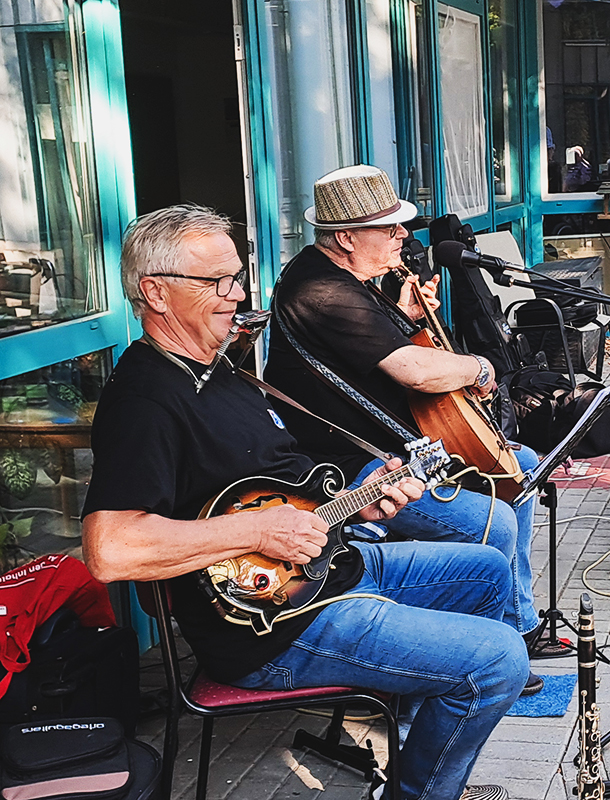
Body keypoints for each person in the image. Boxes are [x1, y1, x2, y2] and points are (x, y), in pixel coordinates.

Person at [81, 205, 525, 800]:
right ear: (155, 292)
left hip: (327, 568)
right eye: (215, 283)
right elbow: (110, 549)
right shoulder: (144, 400)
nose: (235, 296)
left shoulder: (224, 371)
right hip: (270, 626)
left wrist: (359, 502)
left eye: (237, 277)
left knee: (490, 571)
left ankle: (423, 737)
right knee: (496, 661)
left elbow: (283, 490)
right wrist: (258, 534)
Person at [263, 166, 550, 693]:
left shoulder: (354, 281)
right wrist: (483, 369)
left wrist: (404, 315)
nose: (404, 236)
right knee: (495, 521)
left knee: (523, 468)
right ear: (347, 239)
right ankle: (483, 654)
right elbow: (414, 371)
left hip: (394, 444)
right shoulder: (321, 289)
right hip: (348, 467)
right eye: (390, 228)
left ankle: (520, 622)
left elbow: (366, 351)